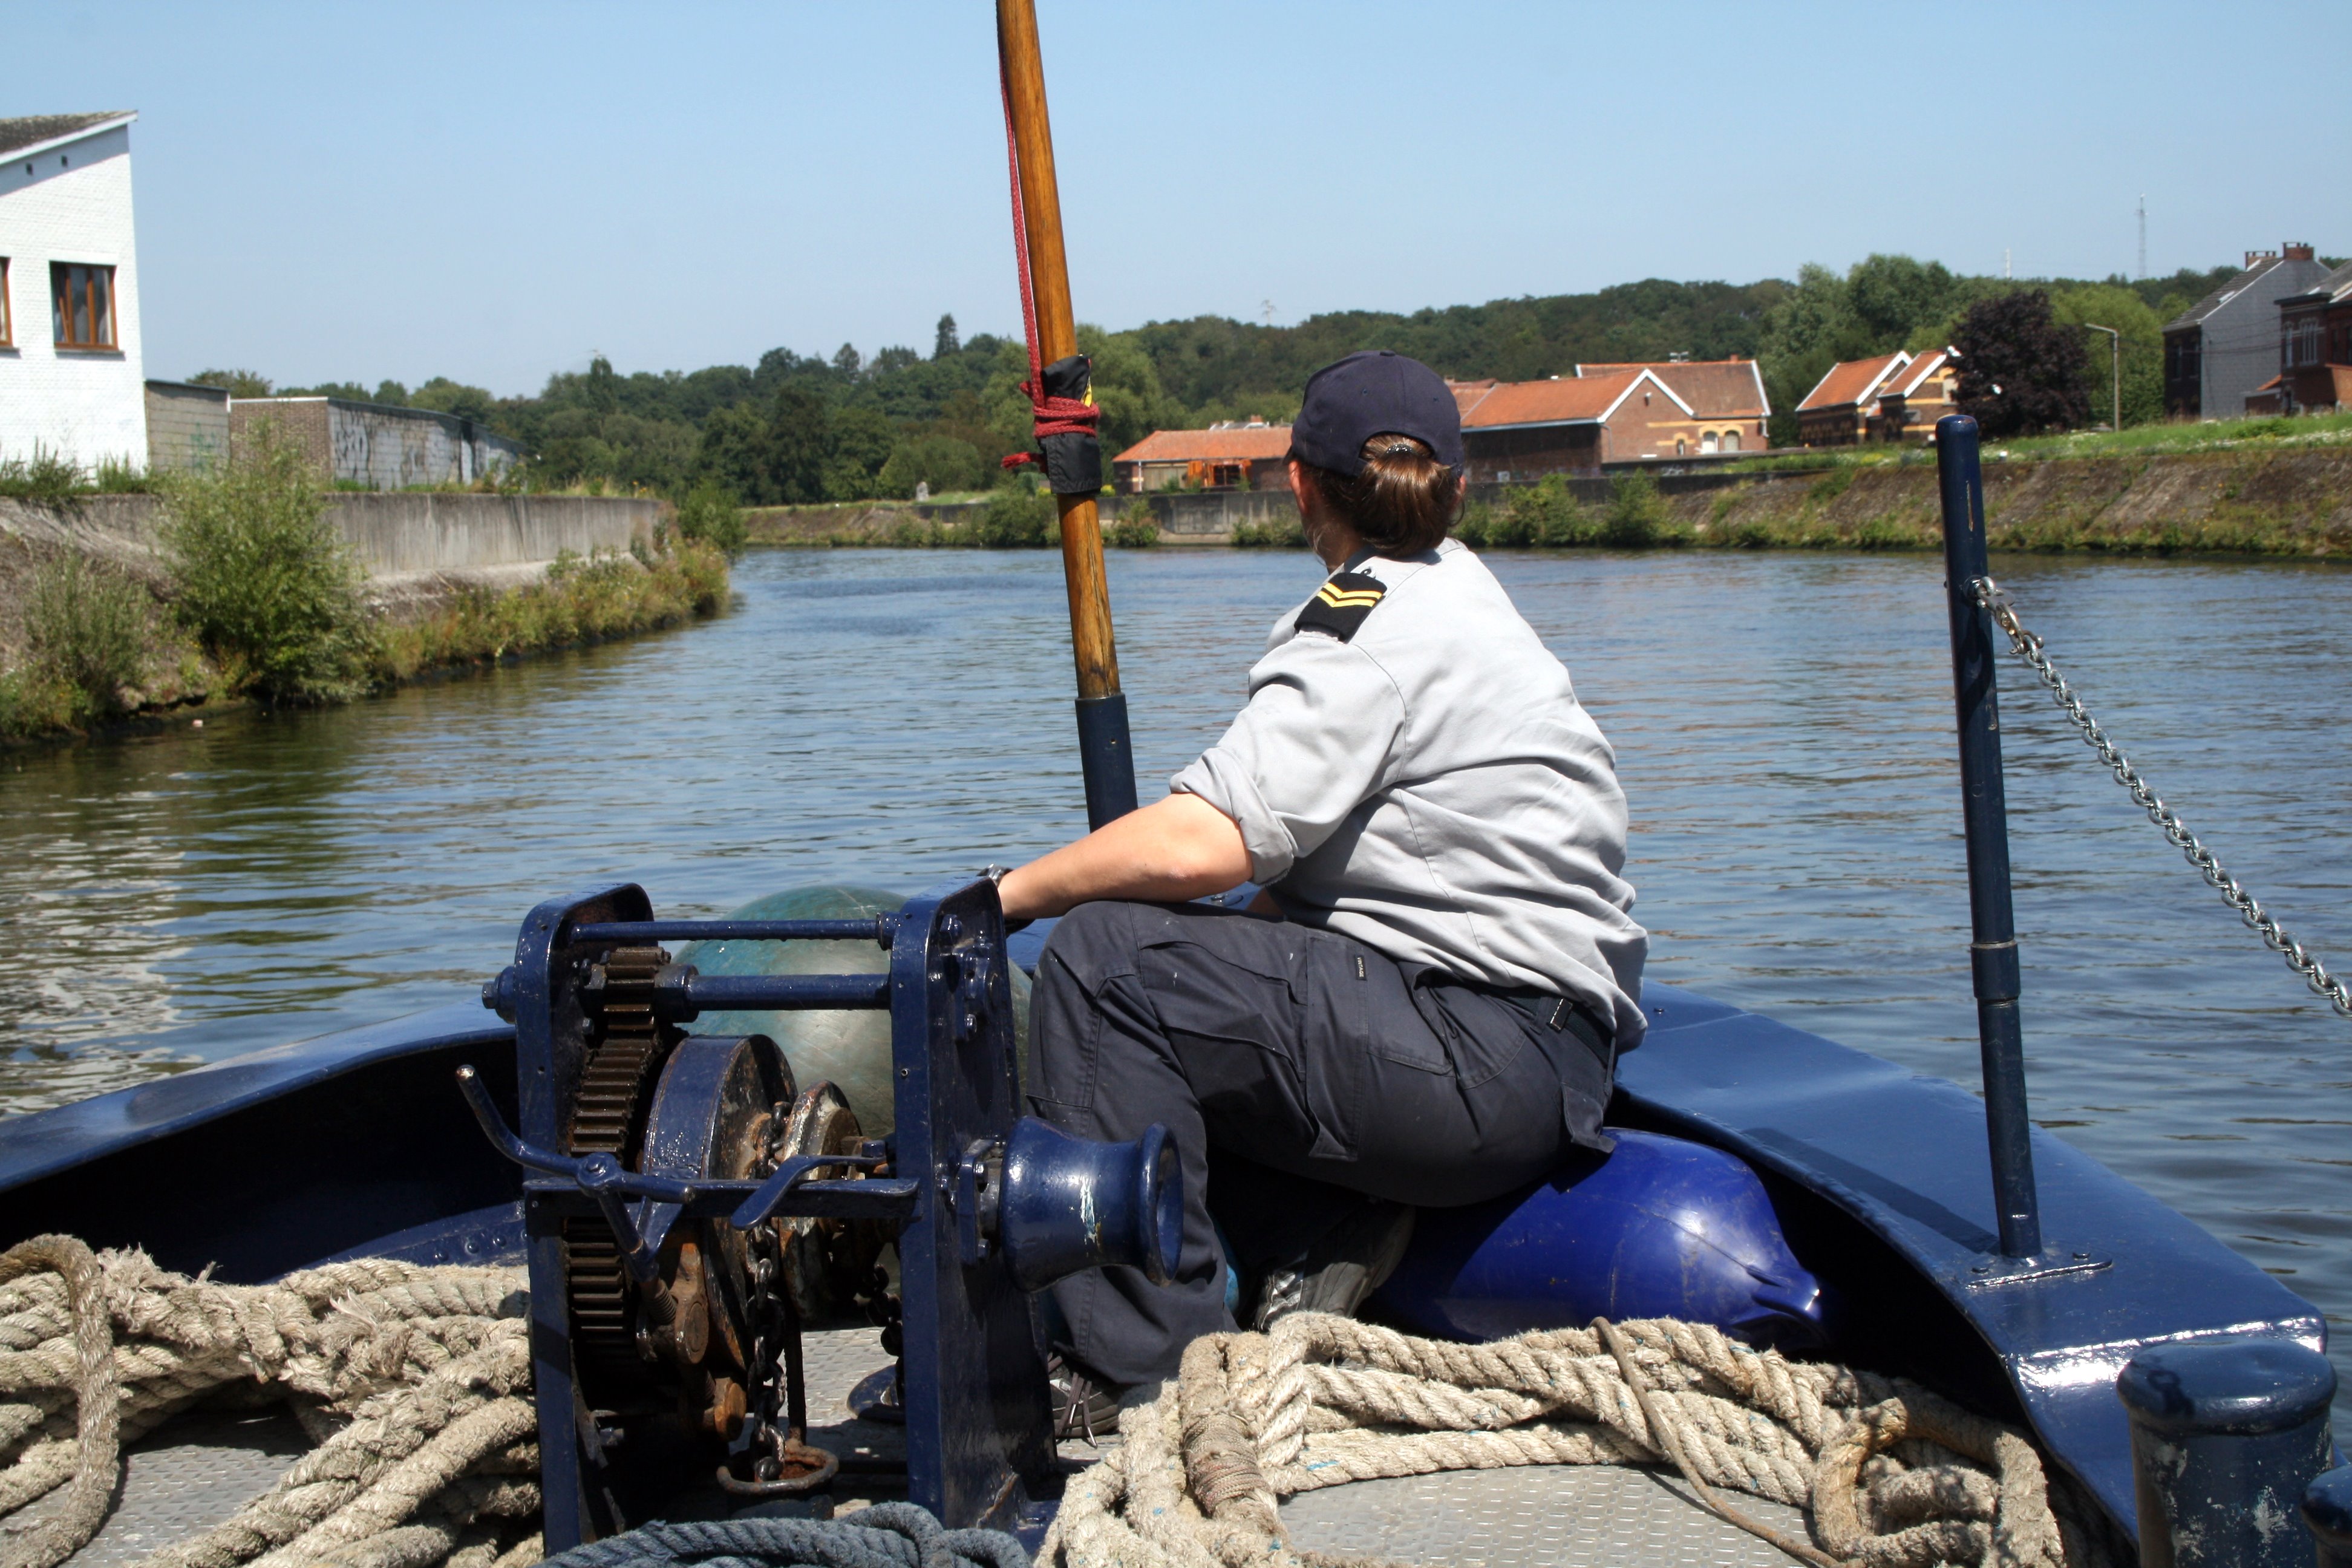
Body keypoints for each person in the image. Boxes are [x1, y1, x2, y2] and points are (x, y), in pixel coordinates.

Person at [996, 349, 1645, 1416]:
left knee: (1106, 960)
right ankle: (1312, 1233)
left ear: (1297, 481)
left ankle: (1143, 1381)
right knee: (1184, 962)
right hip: (1550, 1057)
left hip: (1473, 1062)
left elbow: (1205, 842)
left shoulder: (1363, 626)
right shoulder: (1467, 594)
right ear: (1455, 485)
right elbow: (1299, 895)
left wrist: (1008, 893)